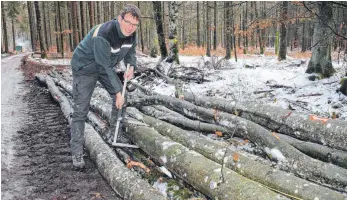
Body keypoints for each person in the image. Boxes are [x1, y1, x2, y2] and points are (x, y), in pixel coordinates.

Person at [70, 4, 141, 169]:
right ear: (119, 18)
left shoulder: (132, 34)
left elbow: (131, 53)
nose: (131, 28)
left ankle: (114, 134)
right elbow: (103, 67)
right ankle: (77, 152)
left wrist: (131, 66)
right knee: (81, 110)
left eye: (135, 25)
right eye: (128, 23)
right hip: (85, 68)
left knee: (123, 99)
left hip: (104, 65)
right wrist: (117, 91)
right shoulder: (104, 34)